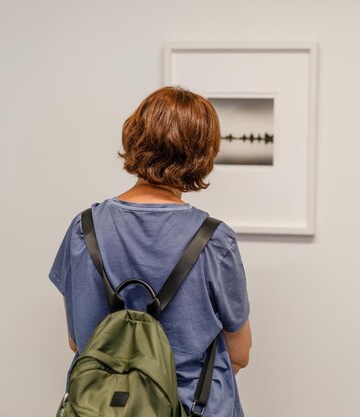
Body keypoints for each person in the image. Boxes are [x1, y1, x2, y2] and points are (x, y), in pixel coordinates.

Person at [48, 86, 252, 417]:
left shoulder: (83, 229)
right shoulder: (215, 242)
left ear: (135, 137)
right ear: (203, 154)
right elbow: (239, 352)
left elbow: (78, 341)